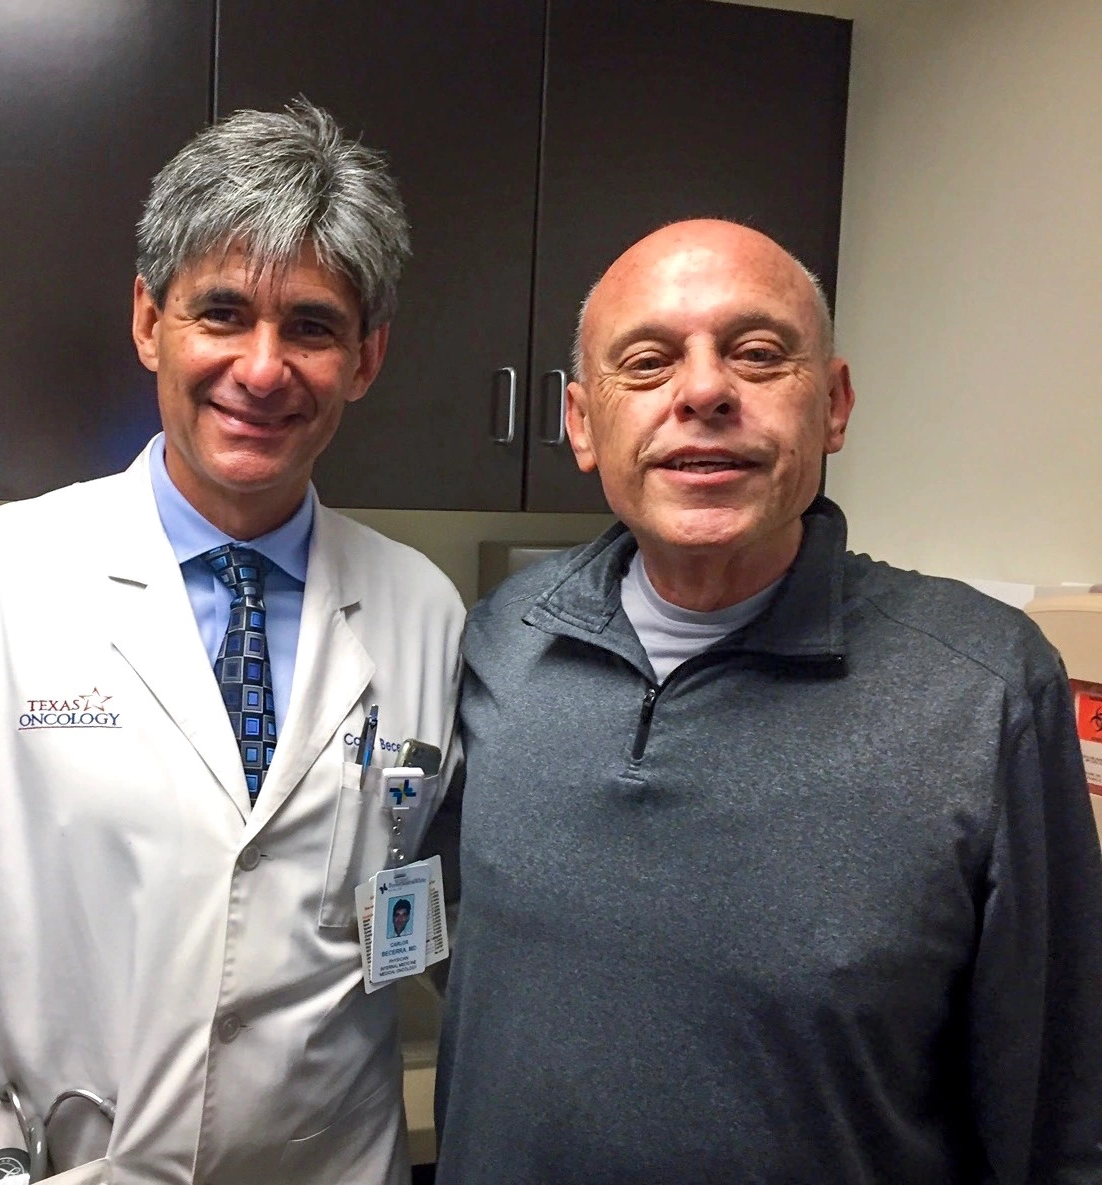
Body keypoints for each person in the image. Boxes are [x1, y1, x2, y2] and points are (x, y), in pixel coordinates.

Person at [0, 102, 464, 1185]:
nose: (262, 368)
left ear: (366, 358)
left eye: (311, 327)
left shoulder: (423, 611)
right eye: (221, 312)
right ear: (149, 322)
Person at [433, 219, 1102, 1183]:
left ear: (833, 405)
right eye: (648, 362)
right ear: (581, 423)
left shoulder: (985, 690)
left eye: (755, 354)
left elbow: (1060, 1109)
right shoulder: (504, 639)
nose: (704, 391)